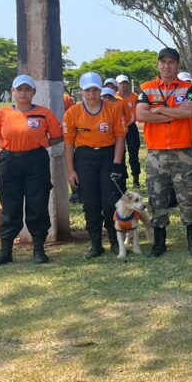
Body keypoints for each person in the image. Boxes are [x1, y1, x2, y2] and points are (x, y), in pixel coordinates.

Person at [0, 75, 64, 266]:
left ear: (33, 92)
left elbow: (57, 136)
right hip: (9, 162)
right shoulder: (2, 114)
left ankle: (38, 249)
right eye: (19, 89)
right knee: (10, 207)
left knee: (37, 204)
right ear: (13, 92)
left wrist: (40, 143)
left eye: (27, 89)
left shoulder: (44, 113)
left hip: (36, 161)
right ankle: (5, 252)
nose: (23, 93)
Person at [135, 47, 192, 257]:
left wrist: (159, 109)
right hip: (156, 153)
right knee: (157, 197)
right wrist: (174, 115)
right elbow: (141, 115)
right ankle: (159, 243)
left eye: (171, 62)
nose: (167, 66)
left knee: (188, 196)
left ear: (178, 65)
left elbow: (190, 111)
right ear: (158, 64)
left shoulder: (187, 87)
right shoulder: (147, 88)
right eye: (163, 62)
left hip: (182, 151)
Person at [63, 72, 127, 259]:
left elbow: (120, 138)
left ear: (101, 90)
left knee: (110, 202)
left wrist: (117, 164)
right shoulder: (72, 113)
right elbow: (68, 144)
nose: (91, 94)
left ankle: (115, 240)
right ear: (81, 91)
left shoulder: (113, 109)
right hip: (84, 158)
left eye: (95, 90)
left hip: (108, 156)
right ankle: (96, 243)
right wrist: (70, 170)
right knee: (90, 203)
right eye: (87, 90)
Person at [116, 75, 142, 188]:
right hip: (118, 128)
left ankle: (136, 178)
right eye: (121, 83)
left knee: (134, 154)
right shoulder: (114, 97)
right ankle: (123, 179)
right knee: (120, 153)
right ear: (117, 85)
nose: (124, 85)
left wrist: (130, 122)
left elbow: (138, 112)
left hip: (131, 128)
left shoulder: (134, 97)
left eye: (125, 83)